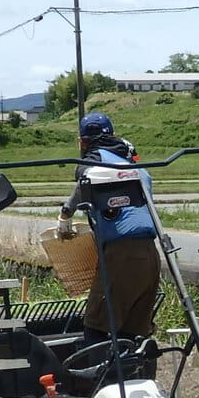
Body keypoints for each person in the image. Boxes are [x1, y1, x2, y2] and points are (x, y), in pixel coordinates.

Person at [56, 111, 160, 345]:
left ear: (82, 141)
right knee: (133, 331)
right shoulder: (131, 163)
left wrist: (65, 215)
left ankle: (103, 380)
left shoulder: (93, 159)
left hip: (121, 254)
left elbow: (86, 181)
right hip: (150, 254)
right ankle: (137, 376)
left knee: (97, 327)